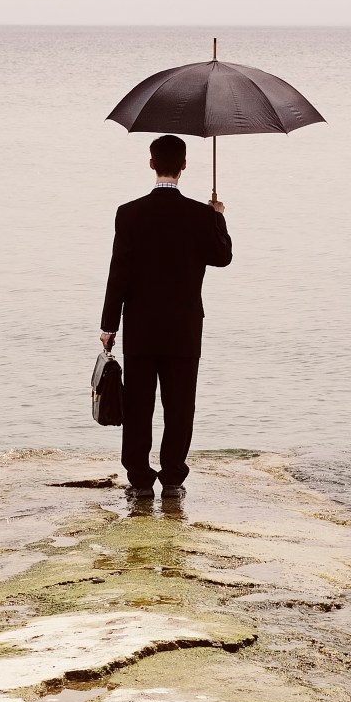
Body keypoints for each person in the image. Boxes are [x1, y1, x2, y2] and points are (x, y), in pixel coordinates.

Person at [100, 135, 232, 498]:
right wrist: (218, 218)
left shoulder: (129, 212)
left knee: (138, 404)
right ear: (184, 165)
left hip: (141, 326)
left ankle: (140, 480)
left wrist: (109, 326)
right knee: (180, 405)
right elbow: (222, 258)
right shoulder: (201, 215)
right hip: (185, 328)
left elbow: (119, 272)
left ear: (151, 163)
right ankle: (173, 477)